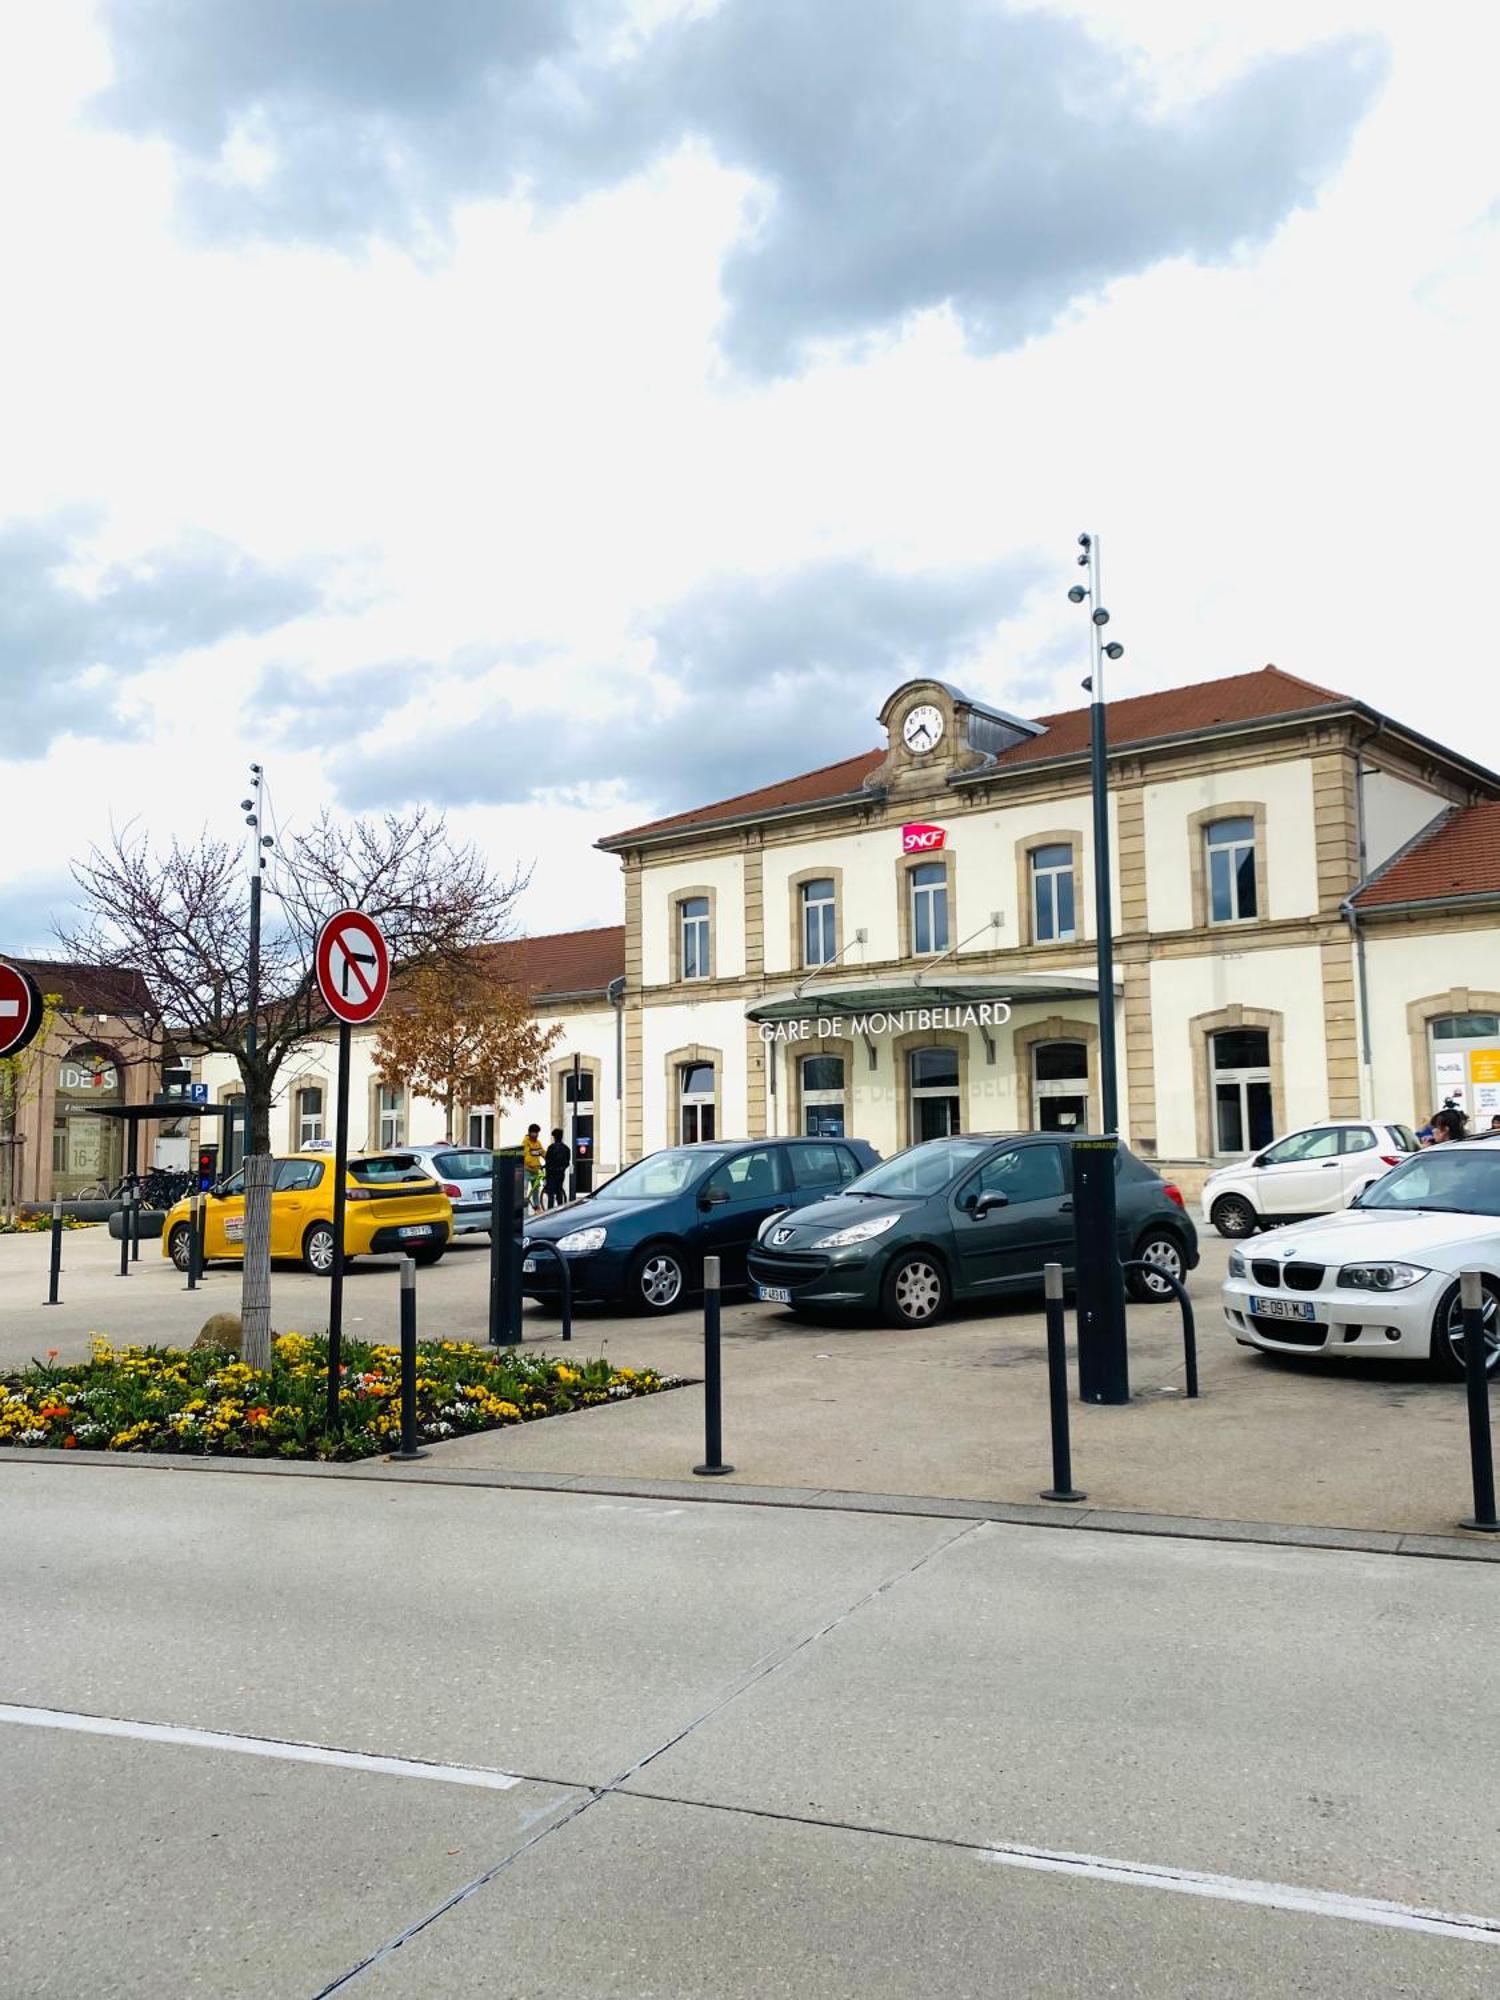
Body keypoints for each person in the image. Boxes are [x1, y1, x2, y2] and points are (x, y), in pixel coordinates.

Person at [544, 1127, 571, 1207]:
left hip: (551, 1174)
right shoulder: (566, 1149)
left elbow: (548, 1162)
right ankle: (560, 1209)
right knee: (559, 1192)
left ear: (554, 1137)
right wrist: (561, 1169)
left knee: (551, 1195)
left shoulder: (551, 1148)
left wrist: (547, 1173)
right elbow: (567, 1163)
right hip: (560, 1174)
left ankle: (550, 1212)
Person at [522, 1123, 545, 1211]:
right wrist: (534, 1163)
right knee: (524, 1190)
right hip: (527, 1170)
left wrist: (548, 1157)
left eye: (537, 1133)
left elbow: (542, 1152)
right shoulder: (525, 1142)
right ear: (530, 1133)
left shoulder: (538, 1143)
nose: (536, 1135)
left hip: (536, 1171)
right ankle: (524, 1209)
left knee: (536, 1191)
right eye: (535, 1133)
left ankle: (537, 1207)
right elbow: (527, 1156)